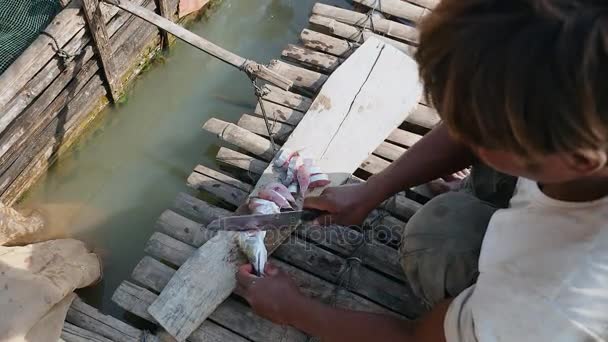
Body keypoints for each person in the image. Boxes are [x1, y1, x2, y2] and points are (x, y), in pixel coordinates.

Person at [235, 0, 608, 340]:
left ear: (577, 160)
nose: (454, 127)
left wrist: (298, 311)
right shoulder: (581, 94)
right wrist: (374, 189)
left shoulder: (553, 304)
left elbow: (419, 339)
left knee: (434, 243)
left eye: (476, 132)